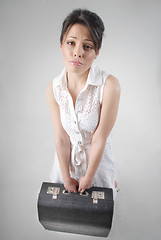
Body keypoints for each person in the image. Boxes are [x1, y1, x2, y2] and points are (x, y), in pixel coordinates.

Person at [46, 9, 120, 198]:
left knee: (98, 222)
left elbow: (100, 137)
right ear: (61, 45)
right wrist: (66, 177)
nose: (78, 52)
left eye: (87, 46)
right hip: (65, 167)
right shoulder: (53, 88)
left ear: (96, 52)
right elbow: (61, 137)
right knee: (62, 219)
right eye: (71, 43)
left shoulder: (109, 85)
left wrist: (89, 177)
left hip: (98, 167)